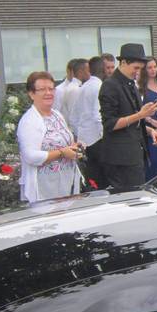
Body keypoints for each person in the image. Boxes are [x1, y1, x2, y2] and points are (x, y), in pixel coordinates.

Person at [98, 43, 157, 191]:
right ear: (123, 62)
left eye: (140, 69)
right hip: (120, 159)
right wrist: (141, 115)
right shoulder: (110, 85)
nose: (138, 72)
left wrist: (149, 131)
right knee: (127, 200)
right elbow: (110, 124)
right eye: (136, 68)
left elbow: (133, 121)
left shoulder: (130, 84)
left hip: (135, 154)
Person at [16, 71, 83, 203]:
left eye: (51, 89)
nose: (48, 93)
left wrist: (75, 147)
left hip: (66, 181)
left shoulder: (56, 115)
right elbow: (30, 156)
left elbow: (63, 142)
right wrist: (62, 153)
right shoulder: (29, 121)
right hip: (44, 186)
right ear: (31, 94)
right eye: (42, 89)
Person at [72, 56, 107, 189]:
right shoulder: (99, 86)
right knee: (101, 179)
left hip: (85, 139)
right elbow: (97, 115)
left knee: (91, 177)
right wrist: (104, 136)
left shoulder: (84, 87)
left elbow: (73, 117)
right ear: (102, 69)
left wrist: (79, 134)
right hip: (97, 139)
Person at [59, 58, 89, 129]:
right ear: (80, 72)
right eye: (88, 71)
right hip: (74, 131)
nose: (90, 74)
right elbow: (74, 116)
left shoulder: (76, 87)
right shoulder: (75, 89)